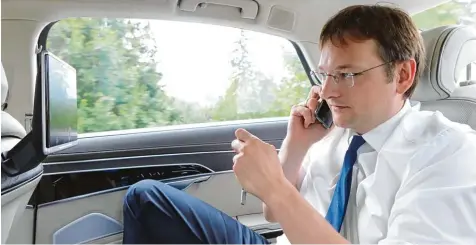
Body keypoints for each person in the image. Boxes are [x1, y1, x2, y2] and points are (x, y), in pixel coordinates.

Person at [121, 4, 476, 244]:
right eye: (326, 75)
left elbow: (279, 199)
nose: (328, 91)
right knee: (147, 198)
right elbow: (274, 213)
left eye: (346, 74)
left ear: (401, 75)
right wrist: (297, 145)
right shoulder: (338, 135)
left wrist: (275, 186)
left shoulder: (449, 152)